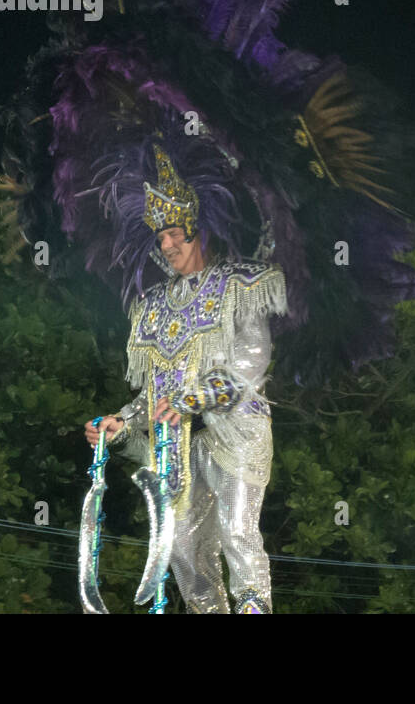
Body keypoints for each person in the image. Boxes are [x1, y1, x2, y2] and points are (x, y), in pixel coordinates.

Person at [85, 144, 286, 613]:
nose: (167, 245)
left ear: (199, 230)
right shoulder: (153, 306)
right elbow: (152, 391)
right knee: (181, 552)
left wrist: (197, 397)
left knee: (238, 532)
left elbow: (251, 362)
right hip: (175, 445)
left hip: (235, 429)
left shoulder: (239, 283)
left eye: (174, 233)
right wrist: (121, 422)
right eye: (160, 239)